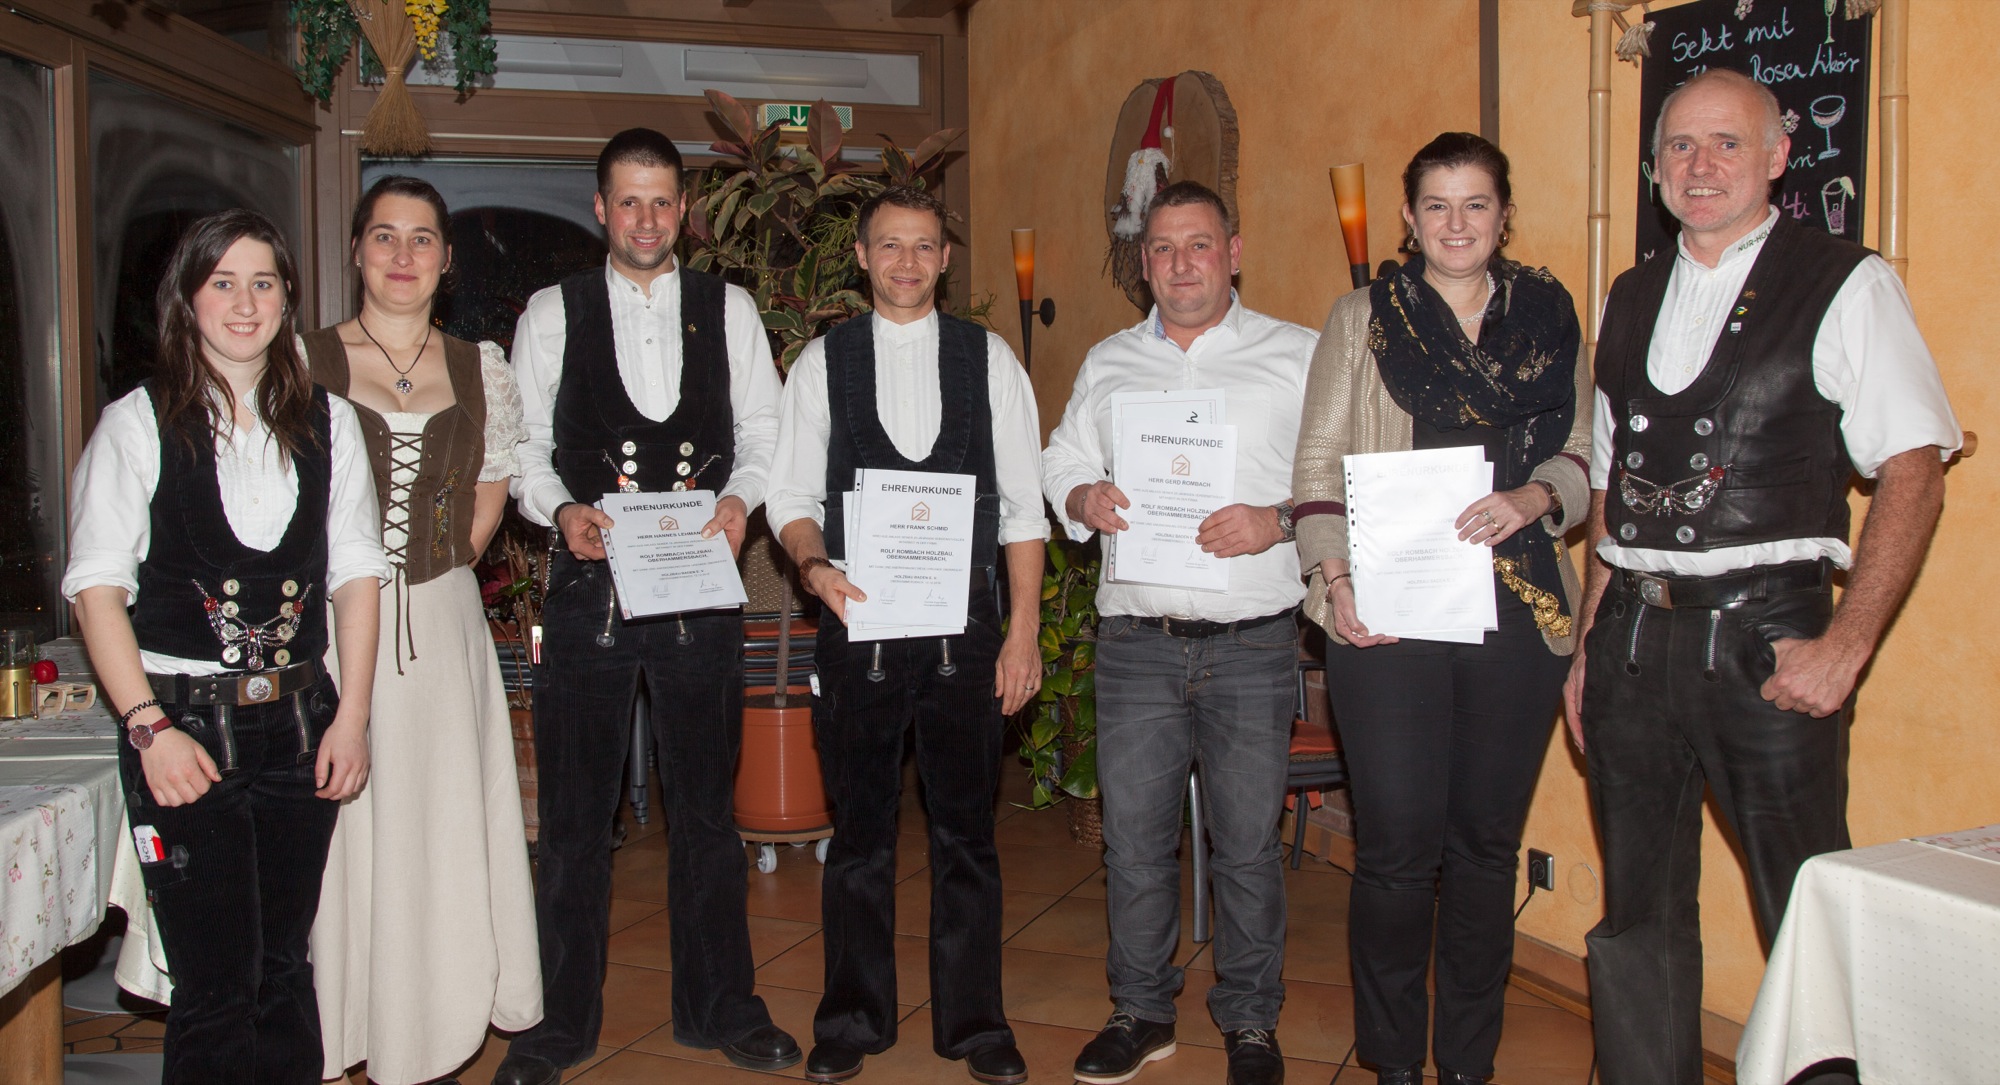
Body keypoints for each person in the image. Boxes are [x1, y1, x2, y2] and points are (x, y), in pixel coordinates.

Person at [1564, 68, 1958, 1084]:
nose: (1700, 166)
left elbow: (1913, 467)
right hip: (1631, 641)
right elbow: (1611, 486)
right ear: (1654, 168)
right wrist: (1588, 647)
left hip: (1767, 639)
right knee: (1636, 918)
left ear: (1778, 157)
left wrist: (1846, 644)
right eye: (1680, 146)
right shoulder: (1629, 293)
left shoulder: (1843, 281)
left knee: (1806, 912)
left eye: (1726, 143)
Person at [494, 127, 794, 1085]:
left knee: (705, 811)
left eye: (662, 199)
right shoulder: (552, 311)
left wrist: (741, 499)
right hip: (590, 590)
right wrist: (561, 510)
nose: (647, 218)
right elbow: (523, 447)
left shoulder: (729, 308)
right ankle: (558, 1024)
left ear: (684, 210)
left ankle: (721, 1006)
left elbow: (765, 429)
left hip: (701, 585)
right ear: (600, 208)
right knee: (575, 821)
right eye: (629, 200)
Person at [1290, 133, 1591, 1085]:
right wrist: (1336, 580)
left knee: (1485, 851)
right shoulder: (1361, 319)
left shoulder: (1549, 315)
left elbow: (1584, 451)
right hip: (1386, 611)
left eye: (1476, 204)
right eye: (1437, 205)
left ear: (1504, 215)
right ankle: (1391, 1061)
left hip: (1520, 612)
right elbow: (1316, 461)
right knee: (1394, 851)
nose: (1456, 224)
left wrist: (1535, 497)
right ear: (1409, 219)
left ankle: (1466, 1063)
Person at [64, 208, 387, 1084]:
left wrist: (352, 717)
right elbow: (97, 591)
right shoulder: (136, 423)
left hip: (301, 722)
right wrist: (148, 729)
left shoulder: (331, 422)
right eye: (223, 283)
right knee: (214, 984)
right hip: (184, 730)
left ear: (287, 298)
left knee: (284, 967)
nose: (245, 304)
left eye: (263, 283)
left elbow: (357, 574)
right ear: (189, 298)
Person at [766, 185, 1045, 1085]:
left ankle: (976, 1023)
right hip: (860, 630)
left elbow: (1023, 509)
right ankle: (851, 1018)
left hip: (969, 637)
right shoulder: (825, 362)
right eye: (890, 245)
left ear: (946, 258)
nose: (907, 262)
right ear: (861, 255)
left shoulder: (988, 358)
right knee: (860, 836)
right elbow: (789, 497)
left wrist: (1024, 632)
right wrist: (813, 568)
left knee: (967, 833)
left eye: (924, 245)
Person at [1043, 181, 1315, 1085]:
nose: (1180, 264)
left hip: (1251, 642)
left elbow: (1342, 474)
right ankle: (1140, 1010)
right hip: (1138, 646)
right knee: (1133, 841)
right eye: (1161, 248)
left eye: (1198, 244)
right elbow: (1061, 456)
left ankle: (1251, 1020)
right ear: (1144, 263)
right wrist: (1082, 494)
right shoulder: (1110, 361)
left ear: (1233, 252)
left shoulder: (1297, 355)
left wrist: (1276, 520)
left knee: (1246, 845)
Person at [303, 175, 542, 1085]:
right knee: (343, 829)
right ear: (357, 250)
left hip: (441, 624)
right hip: (333, 624)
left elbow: (493, 485)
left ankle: (429, 1017)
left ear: (446, 258)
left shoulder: (481, 367)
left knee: (437, 822)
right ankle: (338, 1024)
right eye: (384, 236)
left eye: (421, 239)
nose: (402, 255)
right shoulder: (302, 360)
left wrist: (444, 562)